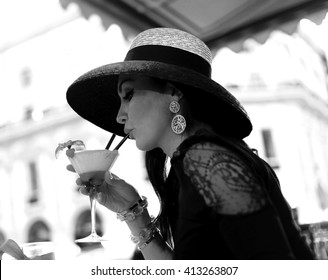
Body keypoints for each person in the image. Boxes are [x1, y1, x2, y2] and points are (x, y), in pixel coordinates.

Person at [66, 27, 314, 260]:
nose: (119, 116)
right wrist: (133, 212)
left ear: (173, 93)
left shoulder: (206, 160)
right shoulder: (188, 165)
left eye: (129, 94)